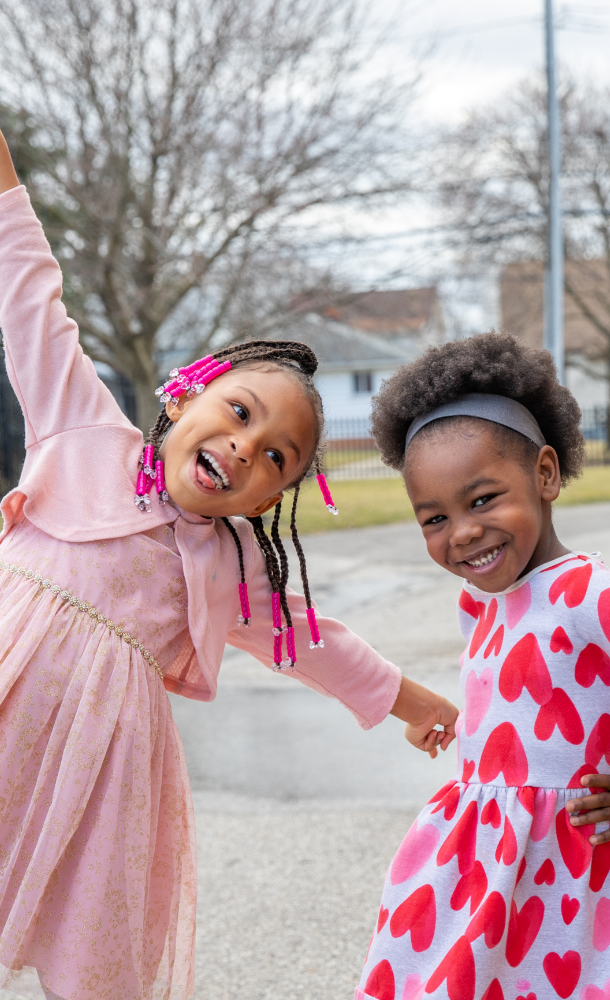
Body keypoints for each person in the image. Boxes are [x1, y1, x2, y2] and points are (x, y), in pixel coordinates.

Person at [0, 132, 458, 1000]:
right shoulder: (83, 429)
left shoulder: (233, 564)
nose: (246, 447)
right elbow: (30, 296)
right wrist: (7, 187)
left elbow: (314, 641)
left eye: (278, 458)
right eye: (239, 412)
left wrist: (414, 698)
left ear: (270, 499)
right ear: (188, 391)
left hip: (103, 769)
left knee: (95, 952)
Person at [356, 332, 610, 1000]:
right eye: (433, 517)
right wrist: (461, 725)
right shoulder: (480, 606)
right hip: (484, 857)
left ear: (546, 474)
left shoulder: (588, 592)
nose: (461, 532)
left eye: (483, 499)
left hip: (574, 865)